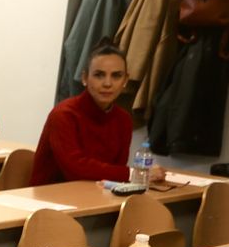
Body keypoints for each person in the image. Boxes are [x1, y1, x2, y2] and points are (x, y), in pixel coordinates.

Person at [30, 42, 166, 186]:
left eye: (116, 76)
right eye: (99, 75)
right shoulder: (64, 114)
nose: (107, 83)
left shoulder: (123, 119)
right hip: (50, 197)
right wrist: (134, 174)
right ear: (84, 78)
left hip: (96, 195)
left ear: (125, 80)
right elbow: (75, 169)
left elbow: (115, 173)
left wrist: (128, 175)